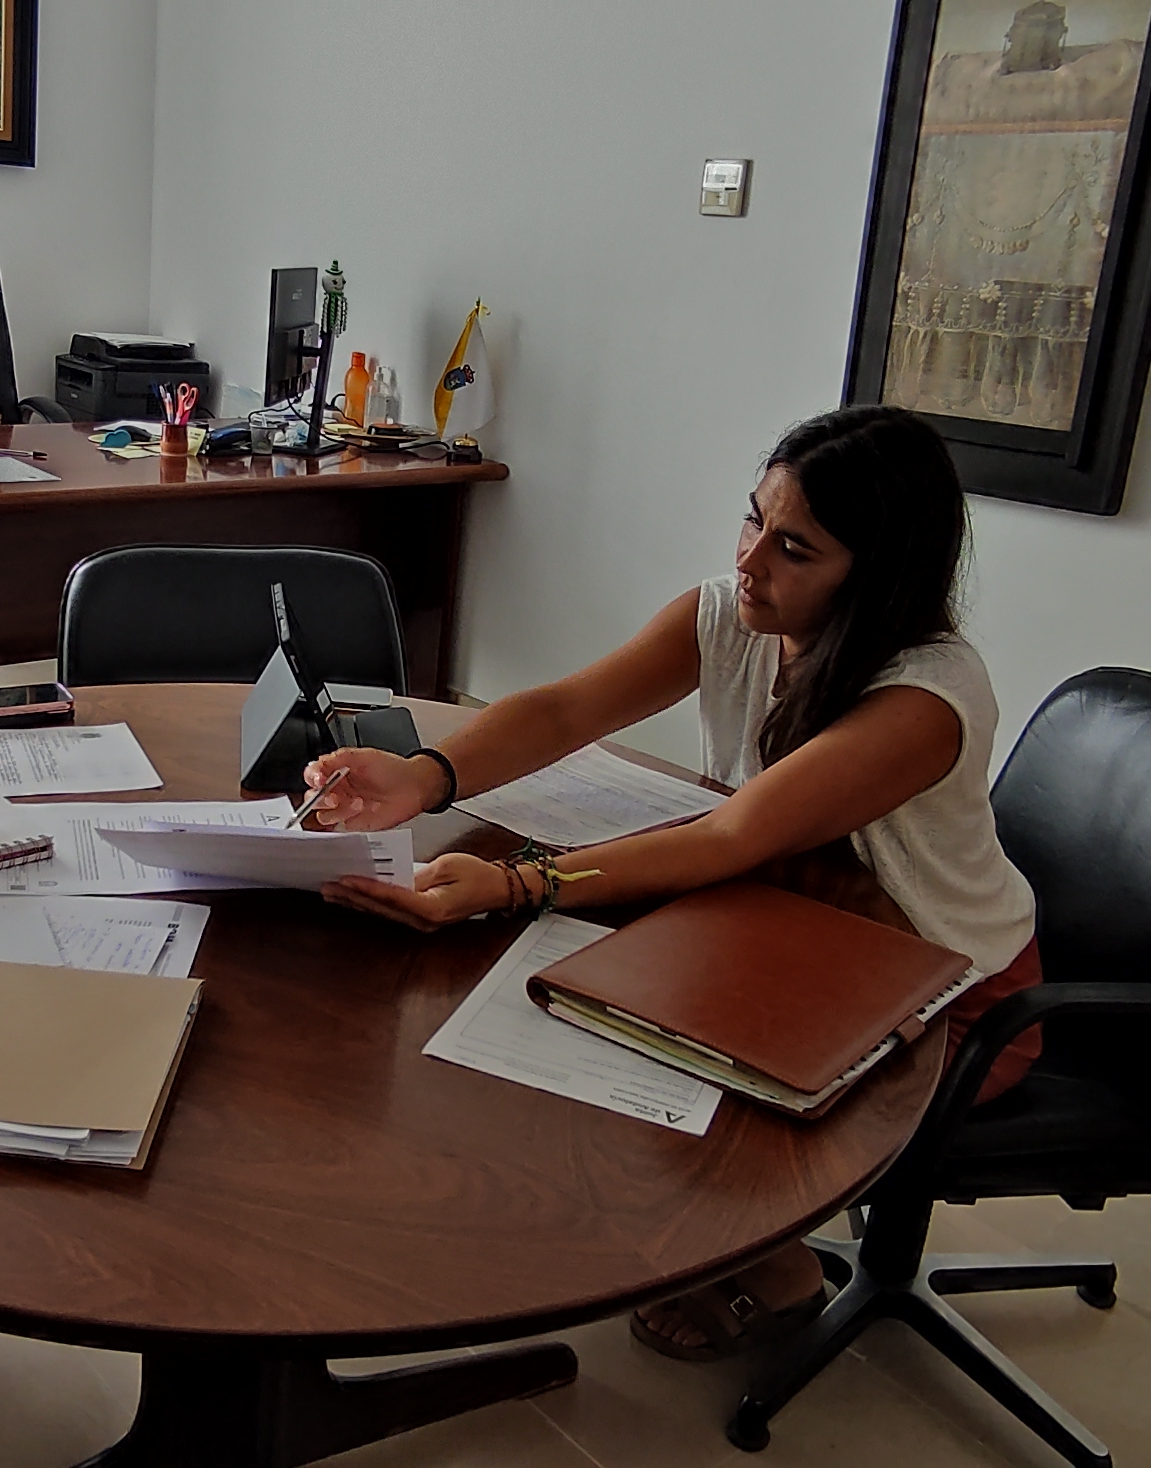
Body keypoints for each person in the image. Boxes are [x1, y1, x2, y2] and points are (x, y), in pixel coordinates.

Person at [300, 404, 1044, 1363]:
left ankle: (780, 1267)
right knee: (586, 988)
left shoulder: (924, 697)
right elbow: (566, 709)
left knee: (646, 1026)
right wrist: (423, 775)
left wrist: (514, 882)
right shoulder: (731, 616)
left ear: (878, 573)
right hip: (800, 924)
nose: (750, 562)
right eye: (754, 520)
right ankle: (711, 1217)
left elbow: (733, 835)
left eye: (795, 549)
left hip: (947, 992)